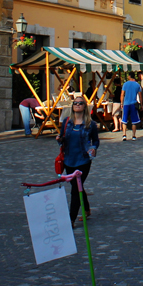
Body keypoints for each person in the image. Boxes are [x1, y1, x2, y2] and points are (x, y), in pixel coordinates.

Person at [56, 94, 99, 227]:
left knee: (75, 189)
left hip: (83, 160)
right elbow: (63, 138)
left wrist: (93, 148)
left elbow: (95, 141)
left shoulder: (90, 124)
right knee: (77, 186)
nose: (77, 105)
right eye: (75, 103)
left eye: (80, 103)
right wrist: (59, 139)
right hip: (69, 160)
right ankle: (86, 209)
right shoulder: (67, 122)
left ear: (85, 107)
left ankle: (71, 219)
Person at [121, 73, 143, 141]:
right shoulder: (137, 85)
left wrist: (122, 103)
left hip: (126, 104)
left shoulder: (125, 84)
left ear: (129, 76)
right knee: (134, 121)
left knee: (124, 120)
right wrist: (141, 104)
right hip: (133, 103)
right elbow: (140, 95)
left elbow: (122, 94)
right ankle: (133, 135)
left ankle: (124, 135)